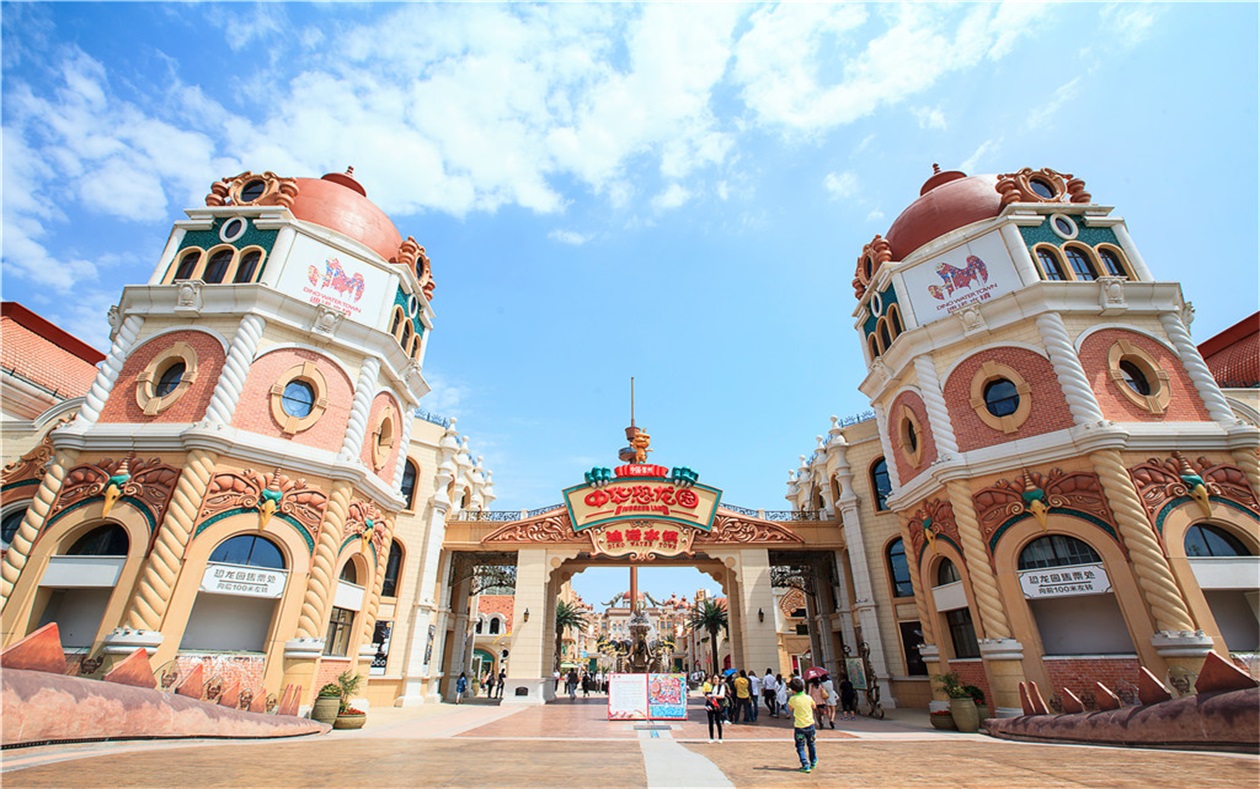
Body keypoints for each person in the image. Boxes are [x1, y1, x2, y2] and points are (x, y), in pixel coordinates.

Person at [787, 677, 817, 773]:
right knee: (811, 744)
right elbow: (814, 706)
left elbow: (790, 708)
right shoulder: (808, 697)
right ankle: (813, 761)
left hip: (799, 726)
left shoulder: (793, 699)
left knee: (800, 746)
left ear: (793, 690)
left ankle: (805, 765)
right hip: (810, 725)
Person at [703, 673, 727, 743]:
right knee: (710, 722)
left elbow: (721, 696)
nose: (715, 680)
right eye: (714, 678)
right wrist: (707, 696)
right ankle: (711, 737)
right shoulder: (710, 686)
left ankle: (720, 737)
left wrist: (713, 696)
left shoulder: (721, 687)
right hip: (710, 705)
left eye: (716, 678)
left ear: (719, 679)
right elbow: (706, 694)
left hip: (717, 705)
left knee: (718, 721)